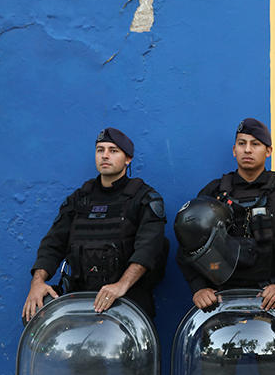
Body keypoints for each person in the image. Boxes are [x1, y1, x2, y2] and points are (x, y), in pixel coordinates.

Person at [22, 127, 168, 322]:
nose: (105, 155)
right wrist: (37, 282)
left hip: (127, 304)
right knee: (39, 310)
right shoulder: (79, 199)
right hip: (80, 304)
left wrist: (121, 286)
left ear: (128, 159)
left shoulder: (143, 199)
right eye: (100, 150)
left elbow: (148, 249)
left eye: (113, 150)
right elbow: (52, 244)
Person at [176, 118, 275, 312]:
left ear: (268, 151)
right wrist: (199, 288)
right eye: (242, 144)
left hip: (270, 300)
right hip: (220, 301)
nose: (247, 150)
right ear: (234, 150)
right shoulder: (213, 192)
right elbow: (188, 247)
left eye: (255, 144)